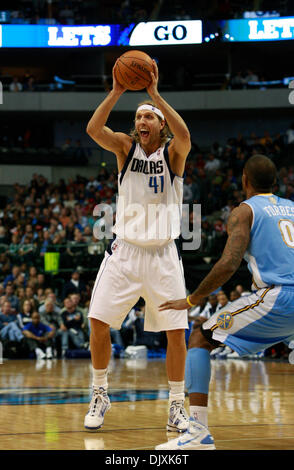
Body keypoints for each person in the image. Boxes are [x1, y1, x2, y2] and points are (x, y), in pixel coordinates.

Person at [156, 154, 294, 450]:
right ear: (276, 181)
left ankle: (197, 433)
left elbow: (228, 264)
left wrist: (192, 298)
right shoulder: (293, 209)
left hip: (279, 296)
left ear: (244, 180)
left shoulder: (244, 211)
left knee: (200, 338)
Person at [84, 59, 191, 432]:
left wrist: (155, 95)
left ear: (161, 125)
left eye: (150, 118)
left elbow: (187, 137)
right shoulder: (126, 149)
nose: (143, 122)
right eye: (140, 117)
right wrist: (116, 91)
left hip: (163, 255)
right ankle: (100, 393)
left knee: (177, 333)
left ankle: (177, 404)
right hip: (125, 252)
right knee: (97, 321)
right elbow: (94, 128)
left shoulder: (172, 154)